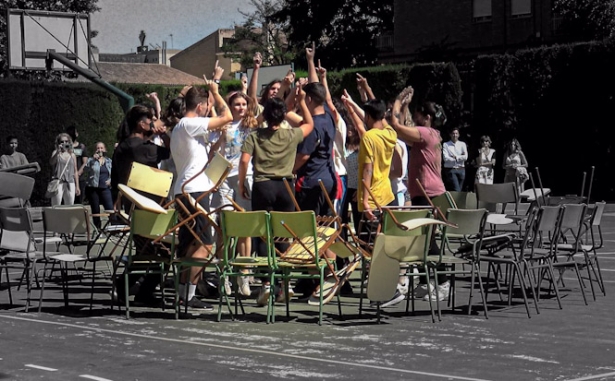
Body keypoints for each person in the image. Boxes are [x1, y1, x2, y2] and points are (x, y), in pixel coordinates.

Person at [239, 86, 314, 306]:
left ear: (265, 114)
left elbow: (244, 160)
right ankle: (285, 283)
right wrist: (300, 103)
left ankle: (265, 284)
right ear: (282, 116)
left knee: (263, 234)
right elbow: (309, 125)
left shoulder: (255, 135)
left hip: (263, 185)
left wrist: (242, 181)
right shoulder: (291, 134)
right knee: (283, 234)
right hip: (285, 186)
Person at [170, 80, 233, 310]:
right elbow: (227, 116)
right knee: (205, 244)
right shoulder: (190, 123)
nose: (208, 109)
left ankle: (184, 294)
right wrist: (216, 92)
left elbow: (202, 155)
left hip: (188, 189)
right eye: (206, 106)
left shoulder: (182, 126)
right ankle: (188, 295)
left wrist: (214, 145)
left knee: (190, 245)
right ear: (199, 107)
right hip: (194, 191)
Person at [391, 86, 450, 303]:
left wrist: (397, 101)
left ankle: (443, 283)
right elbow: (406, 127)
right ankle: (427, 282)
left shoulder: (425, 134)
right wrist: (406, 105)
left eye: (417, 115)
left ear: (427, 117)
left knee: (428, 241)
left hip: (429, 194)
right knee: (423, 239)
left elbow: (397, 127)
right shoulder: (430, 134)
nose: (414, 118)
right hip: (425, 193)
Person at [110, 105, 171, 306]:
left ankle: (137, 290)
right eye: (151, 121)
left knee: (147, 252)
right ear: (141, 123)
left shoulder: (124, 146)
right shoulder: (138, 147)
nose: (154, 124)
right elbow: (168, 153)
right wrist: (165, 134)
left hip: (134, 207)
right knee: (161, 252)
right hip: (144, 208)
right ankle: (125, 286)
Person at [210, 91, 258, 297]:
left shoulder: (252, 126)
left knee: (244, 228)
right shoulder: (223, 125)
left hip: (245, 178)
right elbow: (212, 151)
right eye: (236, 104)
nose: (240, 107)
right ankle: (224, 275)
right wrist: (220, 137)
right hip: (224, 179)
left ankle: (244, 275)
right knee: (224, 229)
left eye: (243, 104)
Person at [85, 142, 113, 229]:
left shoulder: (109, 161)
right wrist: (92, 160)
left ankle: (115, 227)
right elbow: (85, 169)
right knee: (95, 210)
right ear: (95, 150)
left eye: (101, 148)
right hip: (93, 188)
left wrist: (110, 181)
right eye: (98, 148)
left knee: (110, 209)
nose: (100, 150)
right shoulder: (91, 160)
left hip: (105, 188)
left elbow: (114, 173)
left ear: (105, 150)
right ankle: (98, 229)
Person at [49, 133, 80, 206]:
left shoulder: (72, 155)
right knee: (56, 205)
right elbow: (51, 162)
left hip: (70, 182)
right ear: (58, 143)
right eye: (62, 142)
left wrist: (77, 186)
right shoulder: (56, 153)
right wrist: (57, 152)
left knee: (70, 205)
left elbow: (75, 170)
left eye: (66, 141)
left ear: (69, 143)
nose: (64, 143)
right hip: (58, 182)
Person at [66, 126, 88, 204]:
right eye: (75, 132)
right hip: (68, 178)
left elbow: (85, 162)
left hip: (80, 178)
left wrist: (79, 172)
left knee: (79, 201)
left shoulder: (81, 147)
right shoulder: (66, 147)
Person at [442, 127, 468, 191]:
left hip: (461, 169)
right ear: (450, 135)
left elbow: (465, 157)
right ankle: (457, 201)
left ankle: (456, 200)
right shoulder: (446, 144)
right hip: (451, 169)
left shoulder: (462, 144)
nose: (455, 135)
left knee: (459, 189)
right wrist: (460, 157)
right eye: (453, 133)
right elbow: (445, 158)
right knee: (457, 189)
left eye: (456, 133)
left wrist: (456, 157)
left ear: (459, 135)